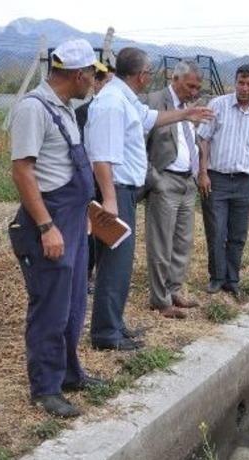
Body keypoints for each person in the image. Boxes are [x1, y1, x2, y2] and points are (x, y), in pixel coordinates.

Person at [85, 48, 214, 349]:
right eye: (149, 71)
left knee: (121, 264)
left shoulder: (125, 99)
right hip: (115, 191)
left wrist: (186, 113)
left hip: (125, 191)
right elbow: (101, 157)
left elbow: (150, 118)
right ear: (142, 75)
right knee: (114, 263)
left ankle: (115, 325)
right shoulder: (112, 103)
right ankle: (106, 334)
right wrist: (109, 199)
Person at [8, 39, 110, 417]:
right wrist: (47, 226)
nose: (94, 82)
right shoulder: (33, 109)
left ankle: (70, 374)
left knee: (72, 305)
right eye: (93, 75)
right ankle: (45, 388)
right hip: (49, 221)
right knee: (50, 308)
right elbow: (22, 170)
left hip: (73, 219)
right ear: (79, 74)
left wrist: (84, 214)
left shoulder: (64, 108)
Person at [197, 64, 249, 300]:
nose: (244, 88)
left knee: (238, 234)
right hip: (217, 180)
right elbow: (203, 140)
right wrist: (203, 172)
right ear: (235, 83)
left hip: (245, 182)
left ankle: (232, 280)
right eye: (241, 83)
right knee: (216, 231)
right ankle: (217, 278)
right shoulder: (218, 106)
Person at [141, 60, 204, 319]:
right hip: (164, 180)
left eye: (198, 87)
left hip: (187, 183)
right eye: (190, 86)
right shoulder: (154, 101)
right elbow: (138, 142)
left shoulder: (190, 107)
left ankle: (174, 289)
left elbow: (192, 141)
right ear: (175, 79)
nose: (194, 91)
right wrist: (153, 178)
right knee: (161, 243)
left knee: (183, 241)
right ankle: (159, 299)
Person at [75, 61, 114, 294]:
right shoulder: (81, 113)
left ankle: (104, 272)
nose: (111, 88)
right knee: (88, 228)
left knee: (107, 227)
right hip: (88, 178)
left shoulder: (116, 112)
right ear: (95, 83)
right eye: (106, 82)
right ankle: (85, 273)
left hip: (109, 180)